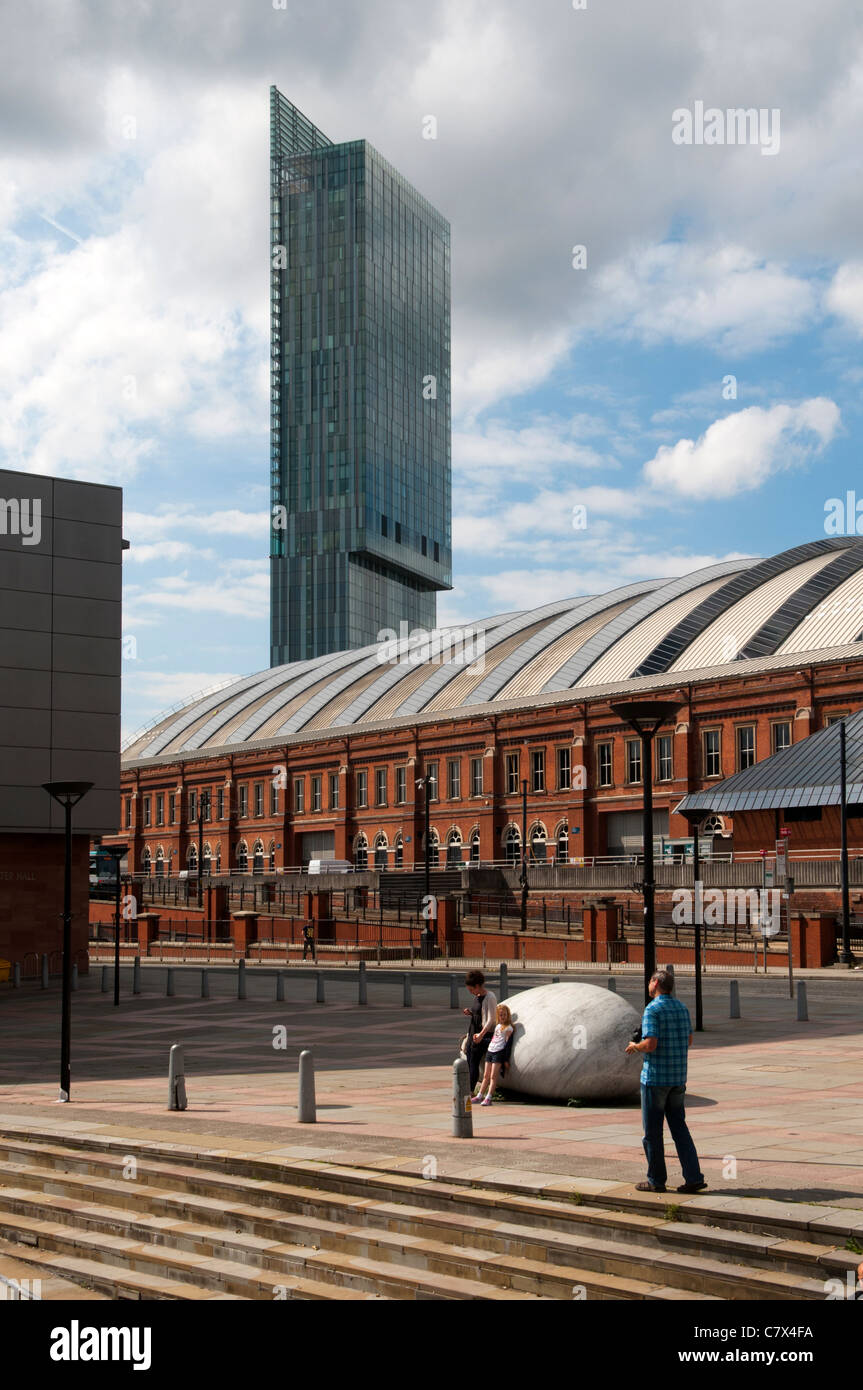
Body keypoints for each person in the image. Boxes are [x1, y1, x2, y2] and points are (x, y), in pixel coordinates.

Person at [625, 969, 707, 1195]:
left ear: (655, 983)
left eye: (650, 982)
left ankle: (656, 1180)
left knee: (652, 1132)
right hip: (678, 1078)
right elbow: (689, 1039)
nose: (648, 986)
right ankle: (693, 1177)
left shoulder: (653, 1009)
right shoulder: (681, 1007)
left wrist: (635, 1046)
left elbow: (650, 1044)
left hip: (655, 1078)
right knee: (680, 1129)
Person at [462, 970, 497, 1093]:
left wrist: (481, 1035)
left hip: (482, 1035)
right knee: (469, 1060)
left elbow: (491, 1019)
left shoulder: (490, 997)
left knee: (473, 1062)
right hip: (473, 1033)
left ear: (477, 986)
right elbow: (479, 1014)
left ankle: (470, 1090)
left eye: (471, 990)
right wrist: (470, 1012)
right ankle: (469, 1089)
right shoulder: (478, 997)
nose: (471, 993)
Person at [474, 1004, 514, 1106]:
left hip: (499, 1052)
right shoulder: (497, 1026)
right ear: (498, 1016)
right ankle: (480, 1095)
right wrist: (481, 1039)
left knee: (493, 1076)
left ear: (508, 1015)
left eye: (505, 1014)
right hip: (490, 1050)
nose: (503, 1017)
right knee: (486, 1075)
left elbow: (508, 1044)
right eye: (501, 1015)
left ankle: (489, 1097)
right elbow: (494, 1039)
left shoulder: (508, 1028)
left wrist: (506, 1060)